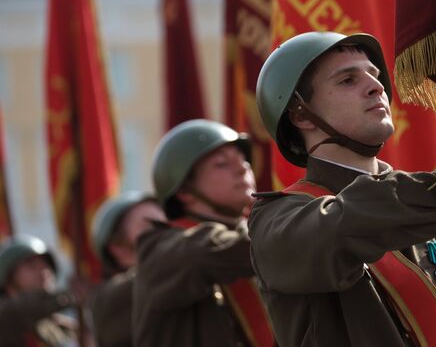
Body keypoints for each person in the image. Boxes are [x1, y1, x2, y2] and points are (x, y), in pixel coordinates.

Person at [251, 31, 436, 346]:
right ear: (300, 115)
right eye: (347, 80)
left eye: (374, 74)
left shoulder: (433, 212)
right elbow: (345, 225)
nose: (378, 86)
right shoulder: (276, 219)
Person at [132, 119, 274, 347]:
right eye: (222, 164)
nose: (242, 168)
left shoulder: (254, 234)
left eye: (243, 159)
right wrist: (295, 232)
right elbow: (209, 251)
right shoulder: (159, 249)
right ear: (185, 191)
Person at [90, 191, 165, 347]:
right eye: (148, 227)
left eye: (165, 224)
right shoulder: (109, 298)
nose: (165, 233)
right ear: (118, 248)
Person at [0, 234, 82, 346]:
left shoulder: (61, 329)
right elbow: (30, 305)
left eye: (45, 264)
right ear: (9, 281)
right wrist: (73, 295)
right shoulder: (5, 317)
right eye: (32, 265)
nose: (44, 270)